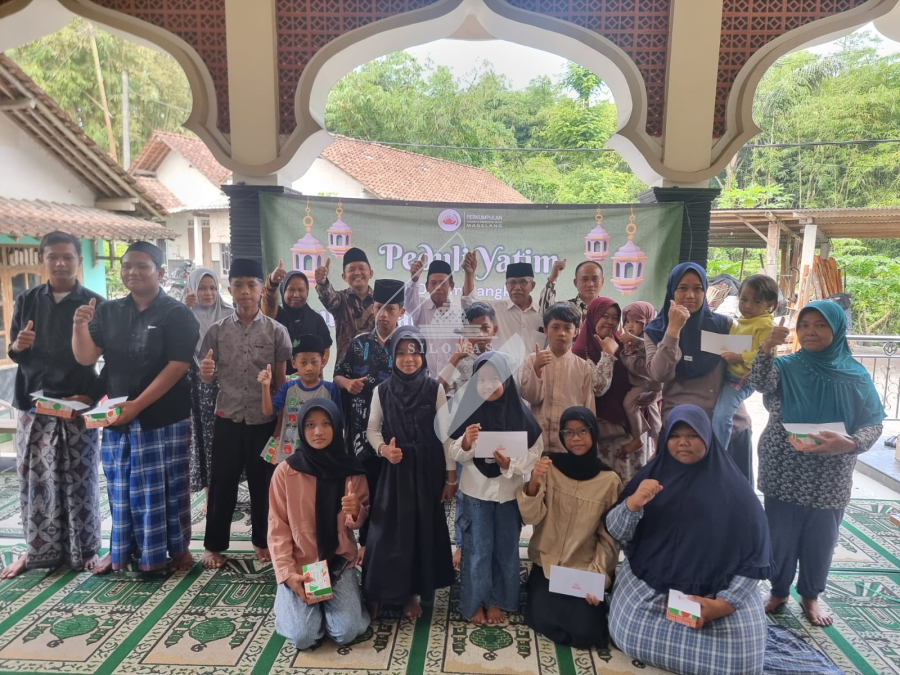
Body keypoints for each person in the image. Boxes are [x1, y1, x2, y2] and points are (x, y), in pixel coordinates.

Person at [605, 405, 842, 675]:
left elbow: (755, 557)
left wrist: (722, 605)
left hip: (716, 593)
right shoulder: (650, 478)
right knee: (628, 632)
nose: (683, 442)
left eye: (692, 435)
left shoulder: (734, 492)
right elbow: (618, 532)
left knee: (741, 664)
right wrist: (633, 505)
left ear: (708, 438)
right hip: (655, 590)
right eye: (675, 436)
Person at [750, 301, 885, 627]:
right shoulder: (786, 366)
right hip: (784, 467)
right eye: (805, 325)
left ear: (837, 329)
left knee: (821, 539)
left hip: (830, 472)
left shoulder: (855, 375)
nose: (811, 331)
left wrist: (849, 444)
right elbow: (760, 383)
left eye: (821, 325)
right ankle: (779, 591)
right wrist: (766, 347)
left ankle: (811, 595)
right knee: (780, 536)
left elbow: (873, 423)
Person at [72, 241, 199, 575]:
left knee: (169, 487)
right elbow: (86, 357)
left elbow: (178, 365)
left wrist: (138, 405)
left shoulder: (177, 313)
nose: (133, 272)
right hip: (118, 416)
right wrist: (79, 326)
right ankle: (120, 550)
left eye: (142, 266)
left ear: (159, 272)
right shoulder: (109, 311)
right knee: (121, 487)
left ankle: (178, 549)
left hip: (164, 417)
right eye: (127, 265)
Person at [2, 232, 106, 579]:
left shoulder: (95, 303)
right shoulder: (27, 300)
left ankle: (85, 550)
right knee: (35, 481)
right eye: (53, 257)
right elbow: (15, 352)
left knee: (80, 479)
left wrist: (89, 398)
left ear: (78, 260)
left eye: (68, 257)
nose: (60, 263)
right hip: (34, 407)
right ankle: (37, 550)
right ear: (42, 259)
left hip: (76, 406)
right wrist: (18, 346)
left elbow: (108, 361)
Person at [199, 258, 292, 569]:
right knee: (222, 483)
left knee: (263, 484)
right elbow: (207, 376)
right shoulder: (216, 331)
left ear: (261, 289)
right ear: (229, 289)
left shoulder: (277, 332)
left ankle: (262, 541)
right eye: (238, 285)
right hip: (227, 416)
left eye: (251, 285)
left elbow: (281, 383)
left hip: (263, 420)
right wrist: (205, 373)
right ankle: (214, 545)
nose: (244, 291)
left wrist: (279, 424)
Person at [364, 326, 456, 620]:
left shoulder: (434, 388)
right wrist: (384, 450)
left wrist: (450, 477)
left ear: (423, 355)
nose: (408, 358)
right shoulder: (382, 390)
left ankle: (411, 593)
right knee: (388, 531)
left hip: (428, 469)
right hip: (396, 470)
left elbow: (445, 435)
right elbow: (372, 430)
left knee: (420, 531)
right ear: (392, 356)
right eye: (401, 353)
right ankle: (380, 590)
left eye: (414, 352)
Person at [448, 351, 543, 624]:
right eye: (481, 380)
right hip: (475, 494)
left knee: (505, 549)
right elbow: (453, 450)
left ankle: (498, 599)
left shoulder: (519, 412)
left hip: (507, 494)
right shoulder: (467, 413)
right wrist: (466, 443)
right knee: (477, 550)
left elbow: (535, 451)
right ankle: (474, 601)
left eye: (495, 378)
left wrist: (511, 463)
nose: (488, 385)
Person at [268, 399, 371, 650]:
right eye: (310, 425)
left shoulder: (351, 470)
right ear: (301, 429)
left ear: (337, 426)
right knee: (303, 637)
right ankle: (289, 600)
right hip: (301, 565)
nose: (318, 431)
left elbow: (359, 522)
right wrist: (288, 575)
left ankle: (327, 607)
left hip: (337, 564)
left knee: (345, 632)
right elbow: (277, 528)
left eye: (326, 424)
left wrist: (356, 511)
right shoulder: (286, 472)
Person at [518, 407, 621, 649]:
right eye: (569, 432)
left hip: (584, 567)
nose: (576, 438)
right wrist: (534, 481)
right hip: (548, 563)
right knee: (544, 619)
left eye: (583, 431)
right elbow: (530, 516)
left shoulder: (609, 480)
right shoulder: (550, 467)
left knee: (586, 633)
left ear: (594, 433)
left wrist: (598, 576)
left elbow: (609, 537)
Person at [643, 262, 754, 482]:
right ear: (672, 291)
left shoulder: (723, 326)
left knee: (730, 496)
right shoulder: (656, 330)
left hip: (727, 429)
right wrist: (673, 330)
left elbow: (745, 367)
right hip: (681, 431)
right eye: (682, 288)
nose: (690, 295)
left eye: (698, 288)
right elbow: (659, 374)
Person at [334, 278, 405, 554]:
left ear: (401, 312)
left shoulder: (407, 346)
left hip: (396, 436)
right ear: (373, 308)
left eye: (391, 309)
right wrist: (347, 383)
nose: (384, 314)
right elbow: (338, 374)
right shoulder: (358, 343)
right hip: (362, 434)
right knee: (366, 490)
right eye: (379, 307)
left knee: (395, 492)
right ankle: (366, 545)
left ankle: (394, 546)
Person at [573, 297, 647, 482]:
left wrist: (651, 393)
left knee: (629, 484)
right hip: (602, 432)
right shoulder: (580, 351)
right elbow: (597, 389)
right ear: (592, 317)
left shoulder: (621, 343)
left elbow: (642, 372)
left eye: (615, 317)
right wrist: (607, 354)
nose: (610, 322)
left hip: (628, 430)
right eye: (604, 316)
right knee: (603, 485)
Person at [183, 267, 233, 512]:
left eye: (213, 288)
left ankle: (229, 489)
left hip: (227, 381)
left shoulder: (229, 313)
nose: (208, 293)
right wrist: (184, 310)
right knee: (205, 437)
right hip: (198, 385)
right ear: (191, 289)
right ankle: (209, 493)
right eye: (202, 288)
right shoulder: (184, 314)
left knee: (228, 436)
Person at [711, 274, 778, 449]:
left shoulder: (764, 325)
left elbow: (768, 355)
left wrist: (739, 357)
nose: (748, 306)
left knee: (722, 415)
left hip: (740, 380)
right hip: (726, 375)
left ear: (770, 304)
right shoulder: (741, 321)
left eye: (757, 302)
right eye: (744, 299)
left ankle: (719, 454)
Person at [520, 303, 597, 453]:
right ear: (546, 330)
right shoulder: (532, 360)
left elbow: (588, 407)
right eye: (555, 327)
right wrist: (537, 369)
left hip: (569, 444)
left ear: (576, 331)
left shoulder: (582, 367)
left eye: (567, 328)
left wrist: (588, 440)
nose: (561, 333)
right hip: (538, 441)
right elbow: (532, 398)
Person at [259, 335, 342, 463]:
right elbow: (268, 411)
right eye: (303, 362)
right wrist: (265, 387)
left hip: (320, 455)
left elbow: (338, 423)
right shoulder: (287, 387)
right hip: (289, 455)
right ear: (294, 363)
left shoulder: (330, 389)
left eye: (314, 362)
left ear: (323, 362)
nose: (309, 368)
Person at [461, 253, 546, 350]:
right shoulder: (495, 309)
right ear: (506, 286)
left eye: (523, 282)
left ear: (533, 285)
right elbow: (469, 304)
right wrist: (469, 274)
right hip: (499, 361)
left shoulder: (543, 314)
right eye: (512, 282)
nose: (517, 287)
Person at [262, 263, 333, 374]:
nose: (296, 294)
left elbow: (325, 351)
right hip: (279, 380)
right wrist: (272, 283)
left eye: (301, 290)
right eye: (291, 290)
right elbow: (268, 301)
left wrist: (308, 371)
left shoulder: (316, 320)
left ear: (307, 292)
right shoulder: (274, 315)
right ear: (283, 291)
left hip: (310, 379)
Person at [406, 256, 465, 376]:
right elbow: (409, 301)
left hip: (452, 382)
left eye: (443, 283)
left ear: (452, 286)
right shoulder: (420, 307)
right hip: (424, 381)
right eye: (433, 283)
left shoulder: (460, 314)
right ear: (427, 287)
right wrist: (414, 279)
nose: (438, 287)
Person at [314, 248, 375, 363]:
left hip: (375, 367)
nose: (357, 273)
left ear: (371, 273)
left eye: (362, 268)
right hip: (345, 368)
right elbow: (328, 297)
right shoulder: (340, 300)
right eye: (351, 269)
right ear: (344, 276)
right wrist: (322, 282)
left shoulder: (380, 301)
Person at [619, 301, 662, 448]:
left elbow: (652, 349)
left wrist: (634, 340)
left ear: (647, 322)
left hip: (646, 382)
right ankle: (659, 443)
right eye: (627, 321)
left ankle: (637, 438)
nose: (630, 325)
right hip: (643, 383)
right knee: (654, 413)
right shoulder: (629, 340)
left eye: (636, 321)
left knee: (629, 404)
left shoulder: (651, 337)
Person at [438, 301, 499, 398]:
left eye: (485, 328)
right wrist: (455, 357)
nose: (480, 334)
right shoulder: (458, 360)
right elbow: (438, 391)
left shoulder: (501, 361)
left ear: (494, 330)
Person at [538, 259, 604, 325]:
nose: (590, 284)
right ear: (575, 283)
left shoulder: (607, 309)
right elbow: (545, 313)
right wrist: (552, 279)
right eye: (585, 279)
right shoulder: (566, 308)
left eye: (595, 279)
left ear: (602, 282)